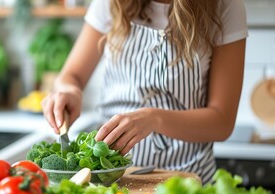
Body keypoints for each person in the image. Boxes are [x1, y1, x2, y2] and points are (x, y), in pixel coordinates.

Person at [41, 0, 247, 184]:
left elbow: (222, 122)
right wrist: (69, 91)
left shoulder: (224, 6)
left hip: (186, 181)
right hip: (110, 180)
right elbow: (71, 76)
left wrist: (154, 118)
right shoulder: (111, 4)